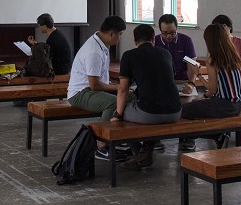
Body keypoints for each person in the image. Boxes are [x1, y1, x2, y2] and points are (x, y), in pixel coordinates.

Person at [112, 24, 182, 170]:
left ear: (135, 41)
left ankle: (140, 153)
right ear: (153, 39)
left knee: (123, 111)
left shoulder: (129, 55)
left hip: (150, 114)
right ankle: (146, 150)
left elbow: (123, 89)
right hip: (175, 112)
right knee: (147, 106)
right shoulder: (165, 54)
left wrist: (117, 115)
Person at [67, 15, 128, 161]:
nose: (119, 38)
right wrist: (117, 88)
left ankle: (119, 136)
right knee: (113, 102)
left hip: (91, 90)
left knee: (129, 97)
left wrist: (119, 88)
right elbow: (94, 85)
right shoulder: (94, 51)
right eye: (119, 34)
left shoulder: (101, 43)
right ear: (111, 33)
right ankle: (101, 146)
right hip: (80, 93)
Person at [180, 22, 241, 150]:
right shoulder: (234, 57)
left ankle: (215, 136)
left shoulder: (212, 60)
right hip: (237, 105)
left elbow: (212, 89)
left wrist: (197, 74)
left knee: (184, 110)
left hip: (222, 105)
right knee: (198, 105)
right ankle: (217, 134)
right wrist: (205, 99)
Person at [155, 13, 199, 151]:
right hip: (161, 83)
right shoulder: (154, 42)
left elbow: (192, 65)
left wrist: (191, 84)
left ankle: (187, 138)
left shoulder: (185, 41)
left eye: (172, 33)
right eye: (165, 33)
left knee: (189, 107)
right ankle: (154, 139)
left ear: (177, 29)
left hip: (182, 80)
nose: (169, 36)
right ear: (160, 30)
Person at [212, 14, 241, 145]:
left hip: (240, 77)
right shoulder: (216, 44)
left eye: (223, 27)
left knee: (240, 81)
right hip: (224, 78)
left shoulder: (239, 42)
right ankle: (221, 129)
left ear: (229, 27)